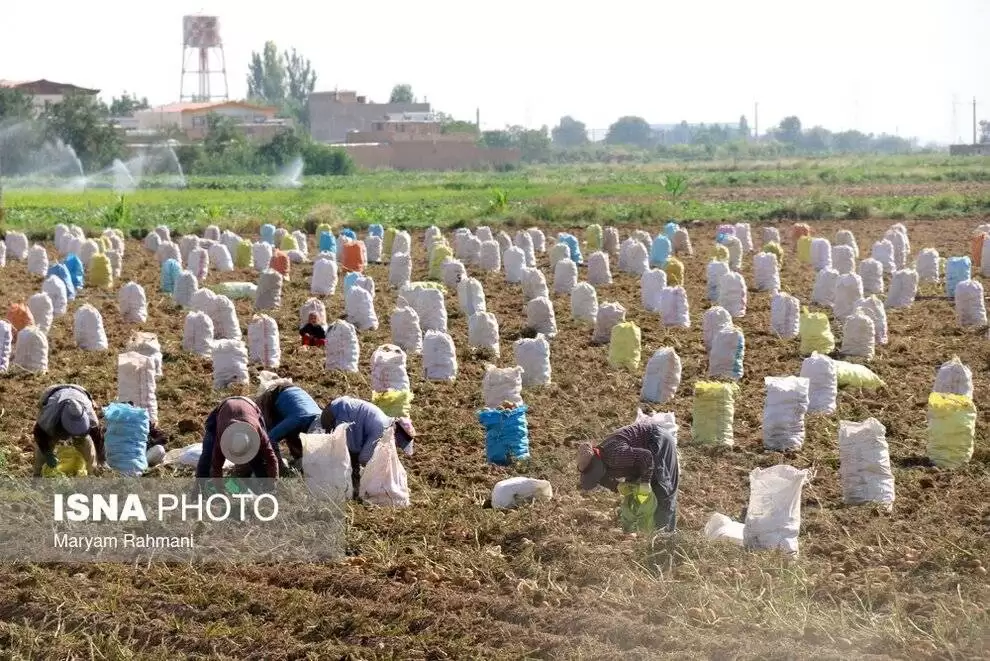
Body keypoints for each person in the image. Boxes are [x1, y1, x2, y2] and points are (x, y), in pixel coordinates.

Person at [577, 419, 679, 531]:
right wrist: (617, 486)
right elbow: (604, 480)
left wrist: (646, 482)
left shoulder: (615, 455)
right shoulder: (601, 465)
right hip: (638, 457)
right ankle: (646, 531)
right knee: (637, 497)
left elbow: (646, 457)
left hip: (656, 439)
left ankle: (665, 536)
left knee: (662, 489)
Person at [320, 396, 416, 493]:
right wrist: (378, 470)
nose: (397, 445)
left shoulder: (385, 423)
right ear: (397, 433)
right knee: (341, 457)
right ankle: (329, 486)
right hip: (333, 415)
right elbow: (364, 458)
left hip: (337, 407)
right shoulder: (381, 429)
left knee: (351, 461)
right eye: (399, 443)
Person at [195, 397, 279, 479]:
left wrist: (274, 480)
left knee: (257, 458)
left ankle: (265, 486)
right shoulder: (222, 437)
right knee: (207, 454)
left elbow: (271, 457)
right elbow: (216, 465)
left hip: (250, 406)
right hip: (223, 408)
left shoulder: (258, 432)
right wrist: (220, 490)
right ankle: (199, 487)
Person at [33, 384, 105, 476]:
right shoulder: (50, 418)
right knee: (44, 449)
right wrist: (47, 454)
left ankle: (92, 474)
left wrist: (102, 460)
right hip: (52, 394)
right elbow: (39, 434)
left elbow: (98, 440)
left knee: (86, 444)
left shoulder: (92, 420)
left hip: (80, 392)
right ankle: (37, 477)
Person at [253, 378, 322, 468]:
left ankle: (298, 458)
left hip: (296, 394)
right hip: (275, 396)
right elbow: (269, 439)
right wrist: (278, 465)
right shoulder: (297, 420)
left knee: (291, 432)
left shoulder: (321, 418)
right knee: (266, 433)